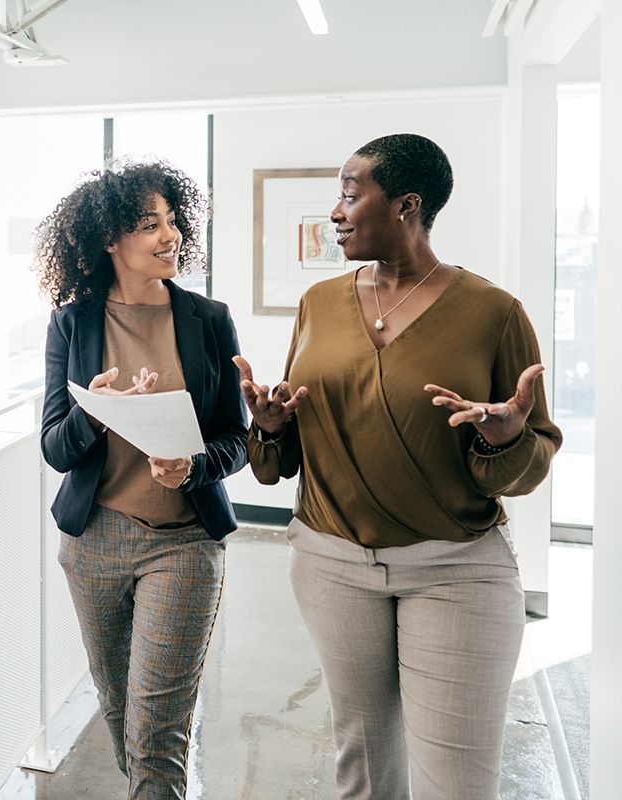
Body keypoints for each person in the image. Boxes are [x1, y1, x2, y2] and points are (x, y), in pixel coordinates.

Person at [235, 133, 562, 800]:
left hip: (456, 570)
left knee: (458, 782)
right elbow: (281, 465)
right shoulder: (318, 306)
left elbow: (527, 466)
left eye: (351, 196)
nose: (336, 212)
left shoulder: (493, 314)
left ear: (407, 206)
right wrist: (270, 429)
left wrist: (503, 439)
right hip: (331, 566)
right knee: (366, 769)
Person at [35, 161, 248, 799]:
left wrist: (194, 466)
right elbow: (55, 447)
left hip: (184, 543)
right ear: (109, 240)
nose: (170, 234)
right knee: (121, 711)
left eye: (173, 220)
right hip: (94, 541)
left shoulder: (208, 319)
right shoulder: (72, 324)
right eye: (150, 224)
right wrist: (91, 413)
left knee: (157, 729)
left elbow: (236, 440)